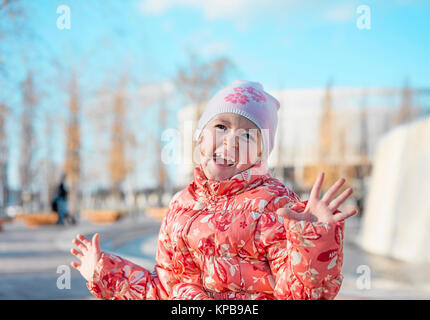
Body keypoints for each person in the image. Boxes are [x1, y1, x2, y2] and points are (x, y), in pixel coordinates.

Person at [70, 80, 357, 300]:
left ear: (260, 154)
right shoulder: (180, 208)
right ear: (200, 139)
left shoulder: (274, 205)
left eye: (247, 135)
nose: (231, 141)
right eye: (221, 126)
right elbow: (164, 290)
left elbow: (299, 294)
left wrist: (313, 242)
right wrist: (103, 272)